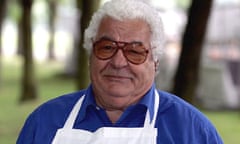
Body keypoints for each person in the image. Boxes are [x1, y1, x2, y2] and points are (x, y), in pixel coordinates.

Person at [17, 0, 223, 143]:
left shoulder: (193, 132)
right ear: (90, 55)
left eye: (134, 51)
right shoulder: (44, 122)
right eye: (107, 47)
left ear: (156, 61)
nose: (118, 62)